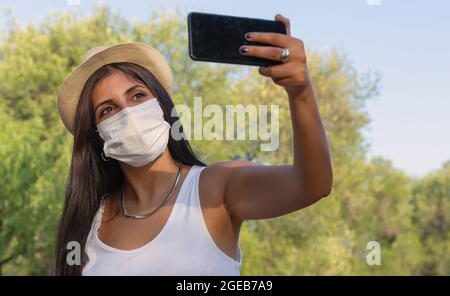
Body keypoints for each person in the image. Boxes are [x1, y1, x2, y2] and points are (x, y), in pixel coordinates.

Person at [54, 14, 333, 275]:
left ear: (161, 105)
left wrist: (301, 92)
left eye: (137, 96)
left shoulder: (215, 188)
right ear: (96, 136)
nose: (128, 113)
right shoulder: (90, 222)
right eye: (107, 110)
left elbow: (312, 185)